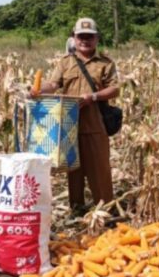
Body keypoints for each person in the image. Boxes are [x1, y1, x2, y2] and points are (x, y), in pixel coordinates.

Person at [34, 19, 119, 213]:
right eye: (81, 36)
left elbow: (115, 89)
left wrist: (93, 97)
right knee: (73, 170)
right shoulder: (65, 62)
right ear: (74, 37)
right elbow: (53, 84)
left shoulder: (105, 63)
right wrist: (38, 90)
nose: (85, 40)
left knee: (99, 170)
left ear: (97, 39)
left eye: (89, 37)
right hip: (68, 125)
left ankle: (105, 210)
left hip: (95, 124)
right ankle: (77, 209)